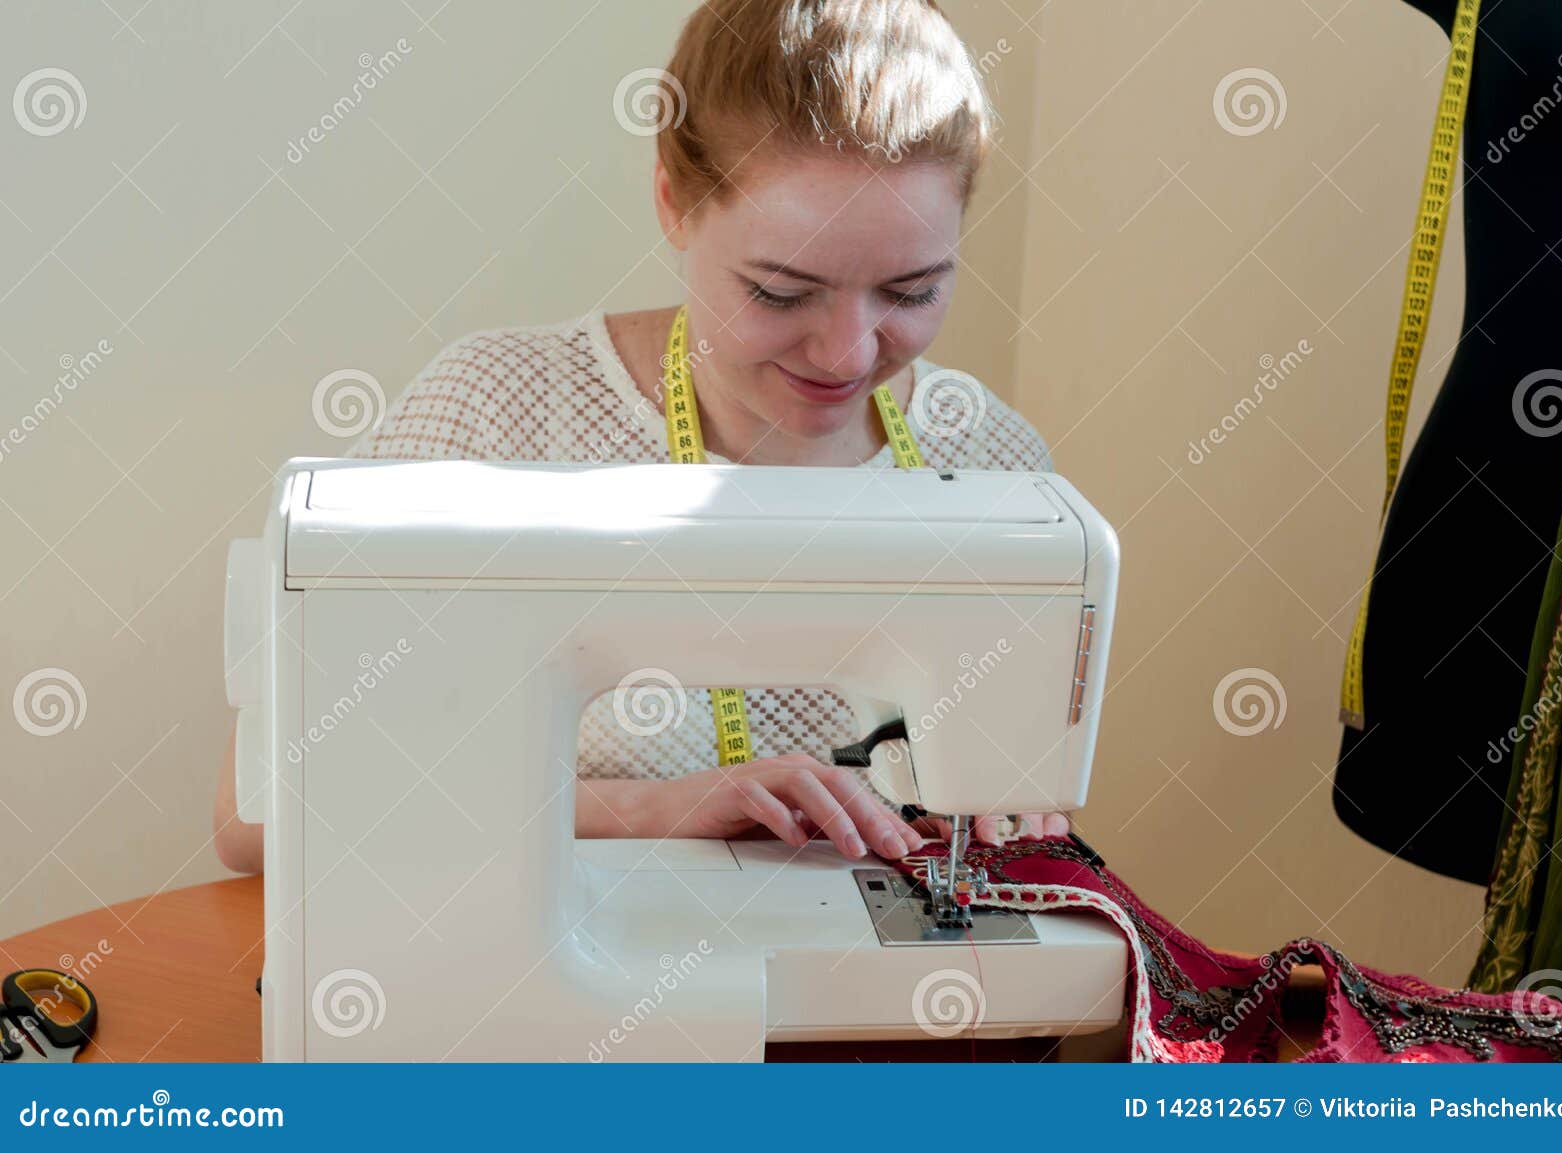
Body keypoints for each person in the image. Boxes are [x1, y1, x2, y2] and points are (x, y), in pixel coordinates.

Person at [214, 0, 1069, 874]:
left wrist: (1020, 806)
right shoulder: (497, 412)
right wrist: (657, 806)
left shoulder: (994, 463)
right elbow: (258, 813)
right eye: (781, 292)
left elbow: (1027, 791)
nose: (848, 351)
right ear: (673, 201)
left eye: (912, 291)